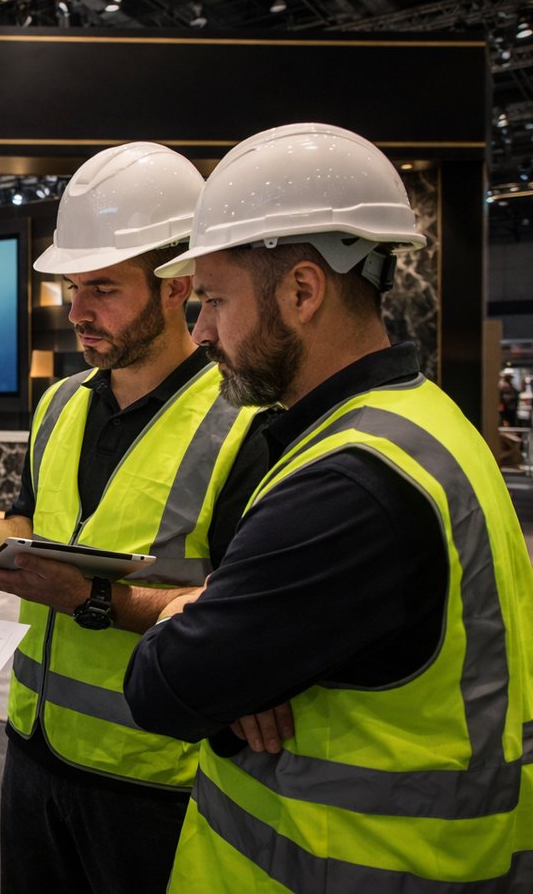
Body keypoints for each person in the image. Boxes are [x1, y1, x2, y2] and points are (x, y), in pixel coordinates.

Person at [124, 122, 533, 890]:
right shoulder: (422, 420)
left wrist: (185, 610)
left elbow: (162, 690)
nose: (201, 330)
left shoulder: (348, 486)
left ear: (302, 291)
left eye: (215, 300)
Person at [0, 143, 268, 893]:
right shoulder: (60, 403)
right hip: (33, 746)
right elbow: (35, 523)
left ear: (177, 286)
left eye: (103, 288)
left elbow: (247, 612)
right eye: (72, 288)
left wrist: (93, 599)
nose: (78, 312)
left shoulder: (246, 423)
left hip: (155, 773)